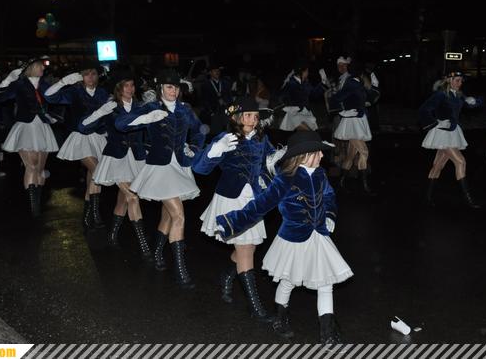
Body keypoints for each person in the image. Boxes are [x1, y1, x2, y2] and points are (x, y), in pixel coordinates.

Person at [216, 130, 352, 343]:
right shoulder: (285, 179)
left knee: (325, 284)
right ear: (304, 155)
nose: (322, 155)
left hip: (318, 236)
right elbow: (260, 205)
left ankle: (327, 334)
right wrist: (231, 221)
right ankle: (280, 318)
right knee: (289, 281)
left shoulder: (320, 174)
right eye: (318, 152)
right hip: (292, 239)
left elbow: (328, 196)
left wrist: (329, 215)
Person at [115, 69, 206, 289]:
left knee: (168, 216)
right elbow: (120, 124)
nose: (173, 91)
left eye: (176, 87)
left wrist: (194, 148)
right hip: (160, 168)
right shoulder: (151, 107)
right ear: (160, 89)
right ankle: (180, 271)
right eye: (168, 87)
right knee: (179, 215)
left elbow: (199, 131)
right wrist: (145, 118)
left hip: (180, 167)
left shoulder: (185, 109)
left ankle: (157, 253)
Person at [192, 97, 275, 322]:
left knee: (248, 248)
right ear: (237, 118)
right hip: (230, 200)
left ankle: (227, 277)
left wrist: (268, 177)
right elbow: (200, 169)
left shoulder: (262, 139)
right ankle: (255, 306)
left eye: (255, 116)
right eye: (248, 115)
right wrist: (215, 150)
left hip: (253, 200)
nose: (253, 120)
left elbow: (271, 164)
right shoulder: (225, 138)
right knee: (245, 249)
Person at [80, 70, 154, 259]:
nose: (130, 89)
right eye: (125, 85)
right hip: (116, 158)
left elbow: (152, 130)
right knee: (133, 197)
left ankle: (112, 235)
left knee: (123, 200)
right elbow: (83, 126)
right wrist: (99, 112)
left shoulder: (140, 106)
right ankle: (143, 245)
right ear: (119, 88)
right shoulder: (111, 106)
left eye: (132, 85)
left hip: (136, 158)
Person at [45, 63, 109, 232]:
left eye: (93, 74)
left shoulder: (102, 93)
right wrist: (63, 82)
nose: (90, 77)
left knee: (93, 176)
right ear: (81, 77)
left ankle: (88, 215)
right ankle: (95, 213)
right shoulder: (74, 92)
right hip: (80, 137)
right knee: (97, 171)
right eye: (86, 74)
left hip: (98, 137)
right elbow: (49, 97)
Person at [0, 56, 59, 218]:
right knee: (32, 165)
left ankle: (38, 201)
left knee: (40, 169)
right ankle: (33, 207)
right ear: (31, 68)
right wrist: (8, 80)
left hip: (42, 126)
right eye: (40, 66)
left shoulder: (44, 84)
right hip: (25, 126)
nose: (43, 68)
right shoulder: (19, 84)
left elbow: (57, 98)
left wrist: (63, 84)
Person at [418, 71, 482, 208]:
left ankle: (427, 197)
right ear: (449, 80)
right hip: (443, 132)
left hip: (453, 132)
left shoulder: (458, 95)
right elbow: (424, 110)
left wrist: (475, 101)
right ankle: (468, 199)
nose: (460, 83)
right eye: (457, 80)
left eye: (461, 80)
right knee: (460, 161)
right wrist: (436, 122)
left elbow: (471, 105)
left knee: (438, 165)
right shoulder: (440, 95)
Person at [328, 58, 375, 194]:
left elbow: (365, 97)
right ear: (360, 73)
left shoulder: (356, 83)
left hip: (358, 120)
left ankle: (341, 183)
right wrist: (346, 109)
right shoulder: (352, 83)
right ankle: (364, 186)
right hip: (352, 122)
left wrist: (361, 104)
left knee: (350, 155)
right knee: (364, 152)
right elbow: (336, 98)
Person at [279, 63, 320, 132]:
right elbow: (283, 96)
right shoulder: (292, 83)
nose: (308, 73)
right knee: (306, 130)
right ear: (302, 72)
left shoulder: (305, 82)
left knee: (309, 131)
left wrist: (323, 85)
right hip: (294, 112)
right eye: (307, 71)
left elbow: (314, 94)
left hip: (305, 112)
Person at [199, 61, 233, 137]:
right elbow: (204, 100)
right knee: (215, 134)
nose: (217, 72)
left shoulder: (225, 83)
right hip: (213, 114)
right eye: (215, 71)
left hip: (224, 112)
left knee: (226, 133)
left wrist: (225, 102)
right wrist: (211, 112)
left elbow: (230, 97)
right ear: (210, 73)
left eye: (218, 71)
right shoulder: (205, 85)